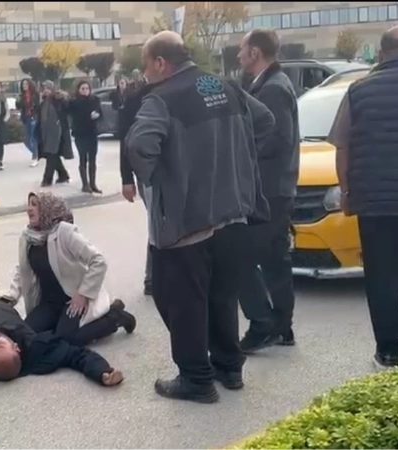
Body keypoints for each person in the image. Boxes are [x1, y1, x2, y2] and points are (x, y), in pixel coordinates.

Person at [126, 31, 275, 403]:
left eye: (146, 66)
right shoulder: (224, 85)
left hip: (189, 221)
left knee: (180, 300)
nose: (145, 75)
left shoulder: (162, 98)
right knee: (222, 296)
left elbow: (139, 146)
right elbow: (265, 120)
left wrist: (164, 180)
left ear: (161, 63)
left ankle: (196, 378)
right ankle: (229, 368)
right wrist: (231, 154)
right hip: (235, 212)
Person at [330, 25, 398, 370]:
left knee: (382, 277)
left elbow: (342, 146)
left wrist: (346, 192)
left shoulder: (358, 91)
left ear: (382, 52)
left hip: (375, 204)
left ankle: (388, 353)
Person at [0, 192, 136, 345]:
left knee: (68, 340)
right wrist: (11, 296)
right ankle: (59, 326)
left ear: (47, 209)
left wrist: (83, 294)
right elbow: (23, 269)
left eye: (35, 204)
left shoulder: (64, 232)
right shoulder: (28, 238)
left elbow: (98, 261)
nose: (29, 209)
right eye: (29, 204)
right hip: (48, 303)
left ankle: (115, 317)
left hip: (72, 300)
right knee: (26, 336)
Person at [236, 29, 300, 354]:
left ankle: (263, 324)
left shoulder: (273, 88)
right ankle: (281, 327)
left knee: (239, 260)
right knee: (275, 261)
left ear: (255, 52)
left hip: (269, 190)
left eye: (242, 49)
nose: (238, 55)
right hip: (275, 189)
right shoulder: (269, 83)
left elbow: (276, 139)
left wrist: (239, 157)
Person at [0, 275, 125, 387]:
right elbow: (76, 355)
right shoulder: (36, 349)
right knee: (68, 338)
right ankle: (114, 317)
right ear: (16, 348)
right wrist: (102, 371)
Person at [114, 73, 154, 296]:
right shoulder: (136, 100)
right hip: (148, 172)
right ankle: (152, 278)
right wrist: (126, 178)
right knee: (158, 222)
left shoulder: (177, 92)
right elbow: (126, 140)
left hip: (175, 169)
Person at [67, 80, 103, 194]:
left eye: (87, 88)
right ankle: (85, 184)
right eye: (83, 89)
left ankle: (93, 183)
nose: (85, 91)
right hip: (80, 133)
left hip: (92, 132)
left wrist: (96, 115)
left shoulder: (95, 100)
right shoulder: (74, 102)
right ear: (78, 90)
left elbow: (101, 114)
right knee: (83, 158)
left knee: (93, 159)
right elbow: (69, 113)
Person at [36, 81, 72, 187]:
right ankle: (63, 175)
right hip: (46, 132)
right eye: (44, 88)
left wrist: (63, 97)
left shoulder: (57, 100)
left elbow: (65, 110)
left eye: (48, 88)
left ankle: (47, 179)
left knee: (51, 154)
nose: (46, 91)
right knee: (52, 155)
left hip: (56, 132)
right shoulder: (43, 102)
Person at [16, 78, 40, 167]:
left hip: (33, 117)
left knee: (33, 137)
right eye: (23, 84)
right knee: (26, 140)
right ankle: (37, 153)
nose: (24, 86)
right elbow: (19, 107)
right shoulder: (22, 96)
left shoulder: (35, 95)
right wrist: (18, 101)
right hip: (25, 118)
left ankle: (35, 157)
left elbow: (38, 106)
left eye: (26, 84)